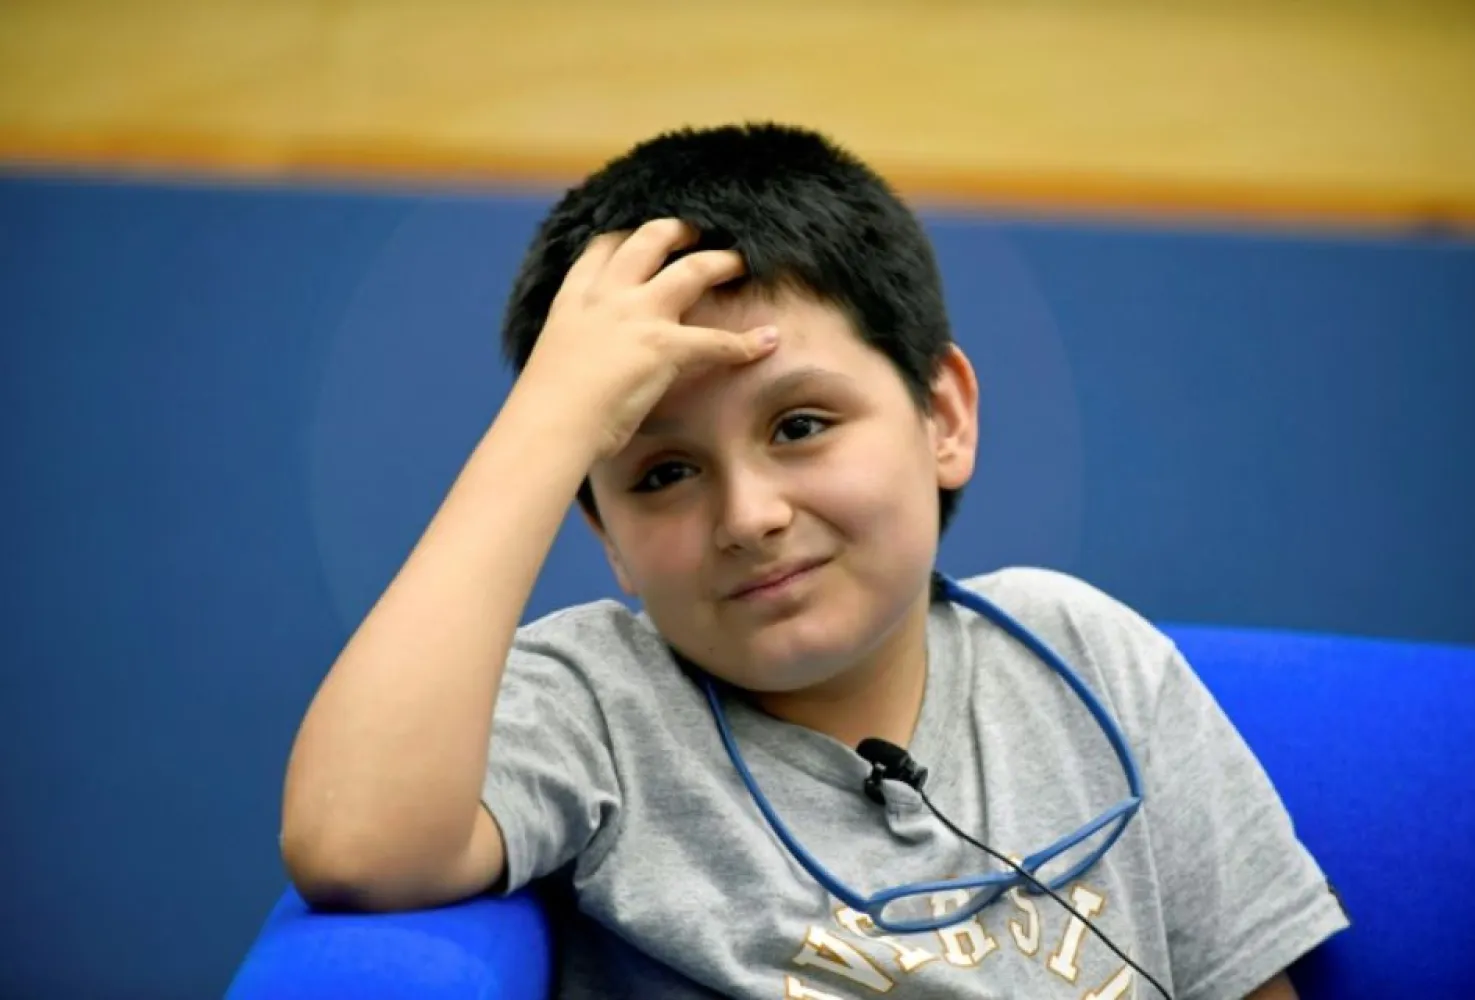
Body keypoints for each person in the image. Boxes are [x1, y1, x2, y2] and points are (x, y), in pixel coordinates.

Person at [280, 122, 1348, 999]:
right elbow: (354, 841)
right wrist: (547, 421)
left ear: (942, 415)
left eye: (798, 426)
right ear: (602, 535)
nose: (748, 516)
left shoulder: (1088, 655)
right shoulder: (595, 705)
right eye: (660, 474)